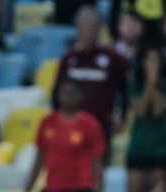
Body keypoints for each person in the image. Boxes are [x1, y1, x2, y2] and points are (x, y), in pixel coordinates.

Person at [25, 79, 105, 192]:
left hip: (81, 189)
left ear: (80, 95)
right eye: (64, 92)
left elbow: (97, 163)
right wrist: (28, 189)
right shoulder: (47, 122)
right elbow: (39, 159)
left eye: (72, 92)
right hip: (52, 189)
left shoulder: (90, 124)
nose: (67, 96)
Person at [55, 6, 128, 147]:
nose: (89, 29)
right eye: (85, 24)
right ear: (77, 28)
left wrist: (121, 115)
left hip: (102, 124)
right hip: (73, 124)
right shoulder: (68, 59)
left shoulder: (113, 59)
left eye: (93, 24)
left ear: (100, 29)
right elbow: (57, 91)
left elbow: (124, 91)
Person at [126, 46, 166, 192]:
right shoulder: (133, 86)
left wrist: (153, 83)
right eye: (148, 60)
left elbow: (158, 111)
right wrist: (149, 82)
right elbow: (141, 111)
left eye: (156, 60)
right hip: (138, 147)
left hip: (162, 148)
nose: (152, 64)